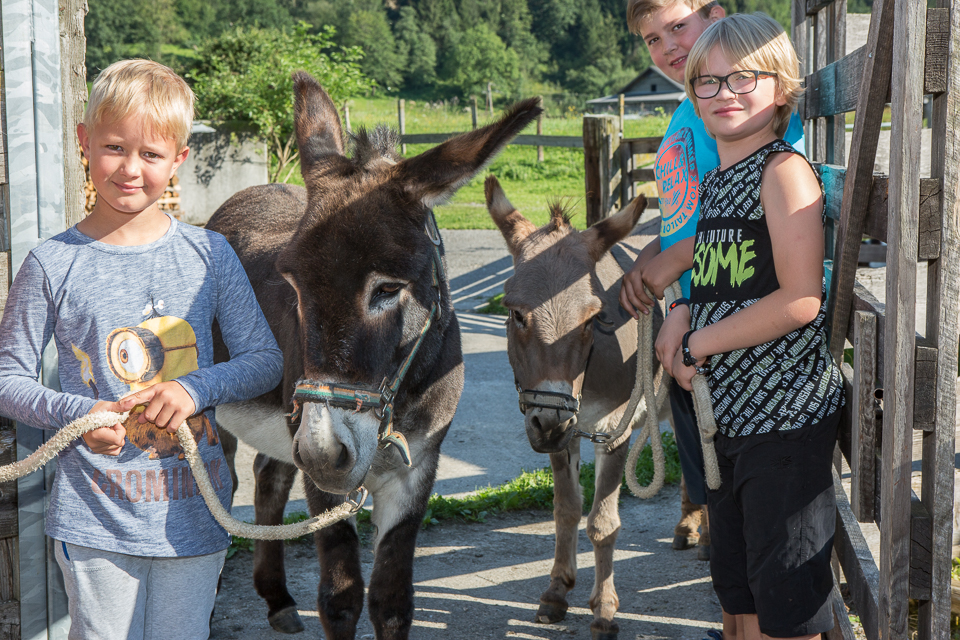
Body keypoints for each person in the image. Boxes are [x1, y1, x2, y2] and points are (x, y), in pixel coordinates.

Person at [0, 59, 283, 639]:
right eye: (114, 148)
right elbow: (8, 378)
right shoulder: (52, 264)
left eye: (151, 155)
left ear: (178, 159)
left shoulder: (211, 256)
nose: (131, 169)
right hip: (94, 520)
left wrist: (192, 388)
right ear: (84, 142)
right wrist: (78, 414)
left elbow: (264, 360)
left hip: (194, 519)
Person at [660, 14, 844, 639]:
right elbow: (719, 278)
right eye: (706, 83)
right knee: (737, 595)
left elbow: (799, 299)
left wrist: (697, 342)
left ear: (782, 90)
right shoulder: (717, 184)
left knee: (784, 609)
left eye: (743, 77)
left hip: (782, 424)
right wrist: (684, 308)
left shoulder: (781, 172)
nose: (724, 93)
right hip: (730, 422)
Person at [621, 0, 805, 527]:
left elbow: (745, 218)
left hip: (730, 306)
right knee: (704, 437)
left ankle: (712, 519)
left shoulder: (730, 109)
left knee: (736, 473)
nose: (669, 45)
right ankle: (702, 510)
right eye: (653, 39)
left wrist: (685, 296)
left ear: (716, 15)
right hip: (696, 299)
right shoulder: (690, 111)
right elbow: (690, 213)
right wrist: (660, 255)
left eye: (679, 26)